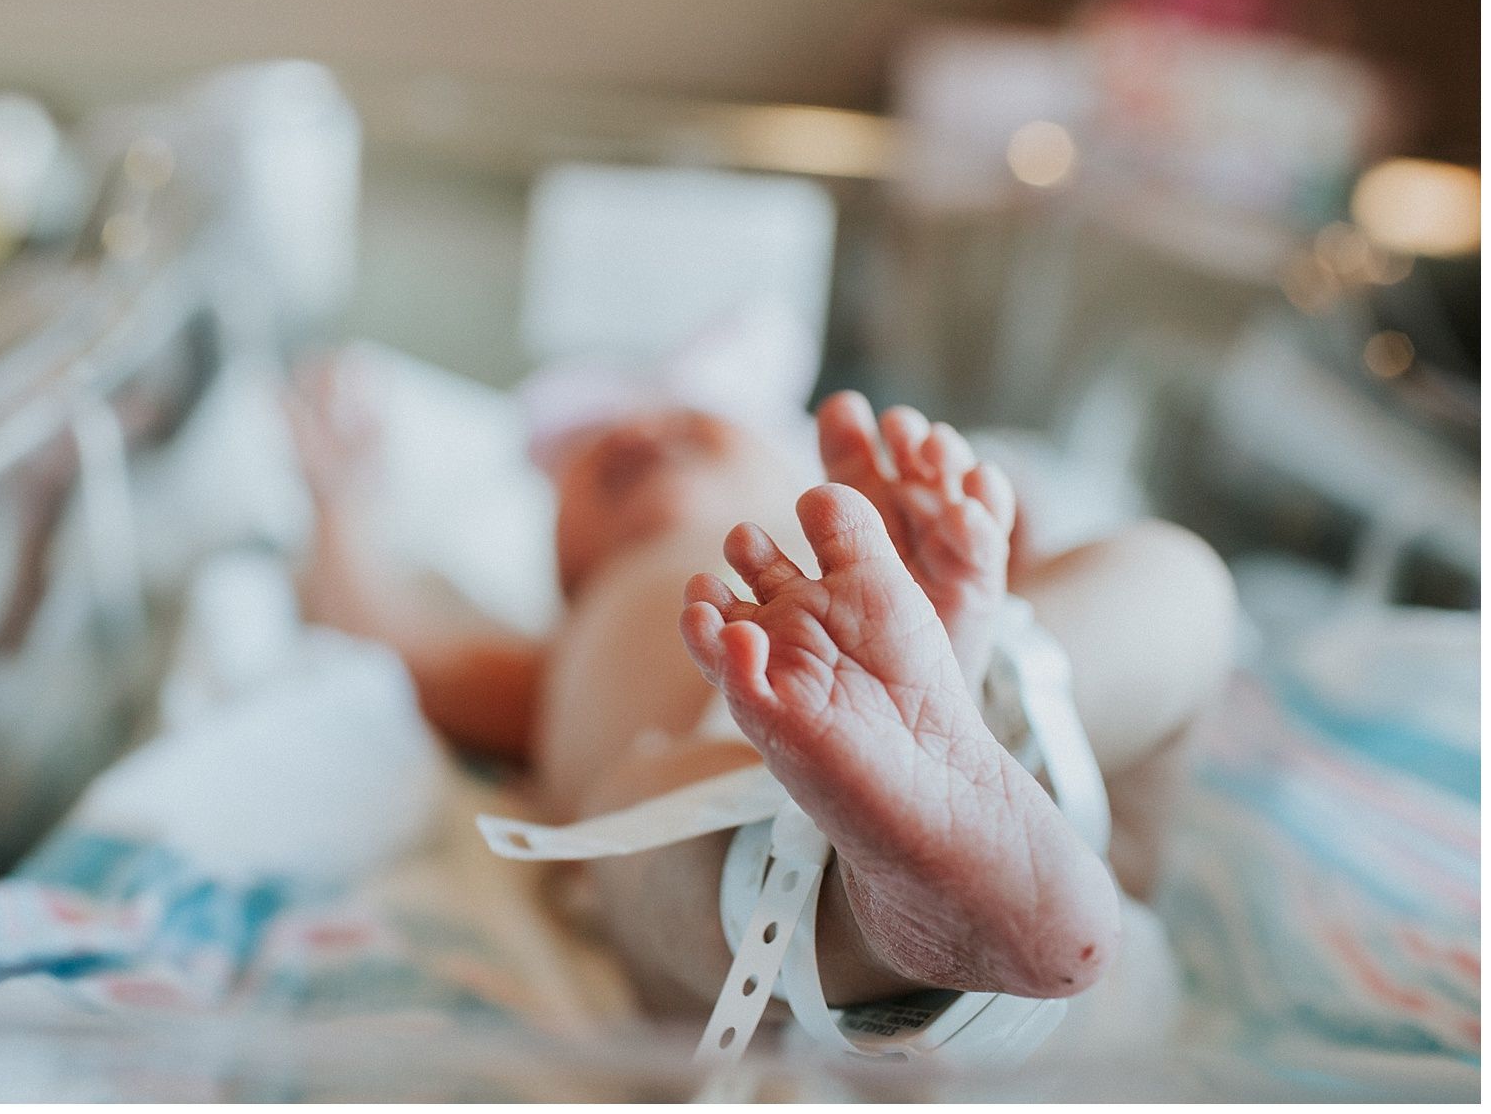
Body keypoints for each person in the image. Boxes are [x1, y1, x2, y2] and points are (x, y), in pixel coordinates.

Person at [289, 360, 1236, 1023]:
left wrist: (958, 537)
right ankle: (905, 895)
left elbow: (1022, 543)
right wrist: (340, 500)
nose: (641, 425)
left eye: (691, 419)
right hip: (746, 816)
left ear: (789, 473)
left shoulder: (849, 545)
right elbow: (386, 640)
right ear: (563, 574)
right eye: (593, 464)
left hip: (1023, 725)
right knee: (635, 823)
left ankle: (954, 721)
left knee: (1170, 576)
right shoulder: (561, 645)